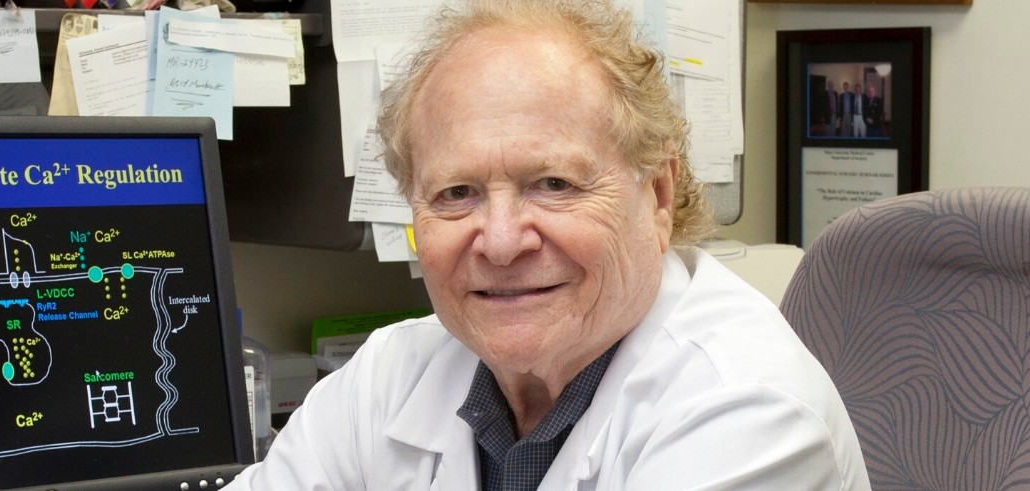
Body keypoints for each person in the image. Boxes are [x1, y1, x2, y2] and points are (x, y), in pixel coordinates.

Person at [227, 1, 871, 489]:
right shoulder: (391, 374)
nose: (501, 242)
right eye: (456, 193)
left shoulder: (746, 413)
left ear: (658, 196)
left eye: (553, 184)